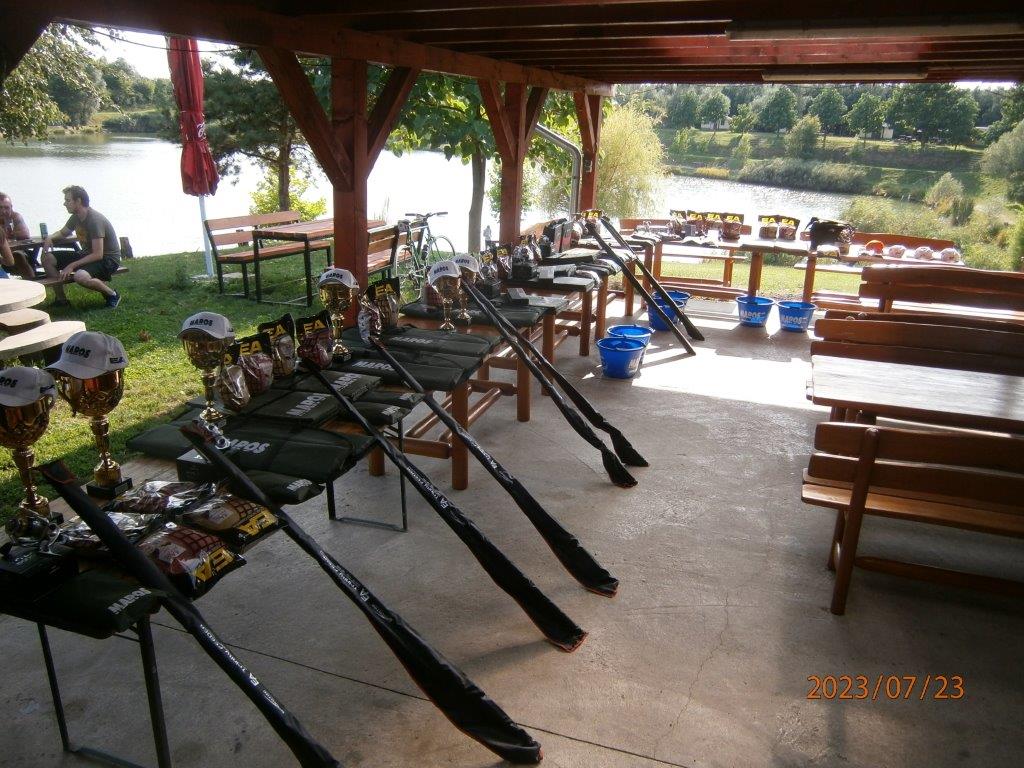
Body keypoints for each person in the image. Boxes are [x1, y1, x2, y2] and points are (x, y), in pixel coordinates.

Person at [42, 185, 121, 308]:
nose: (64, 204)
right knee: (47, 258)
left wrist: (71, 265)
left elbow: (98, 254)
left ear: (78, 201)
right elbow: (63, 233)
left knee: (80, 276)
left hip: (107, 259)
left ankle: (112, 294)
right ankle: (61, 300)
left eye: (68, 200)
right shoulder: (75, 217)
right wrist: (50, 237)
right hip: (87, 255)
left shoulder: (94, 220)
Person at [0, 192, 39, 279]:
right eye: (0, 207)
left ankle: (31, 282)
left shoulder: (15, 217)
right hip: (3, 253)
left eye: (6, 208)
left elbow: (25, 234)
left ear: (11, 207)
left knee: (18, 255)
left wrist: (6, 234)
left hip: (17, 251)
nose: (3, 211)